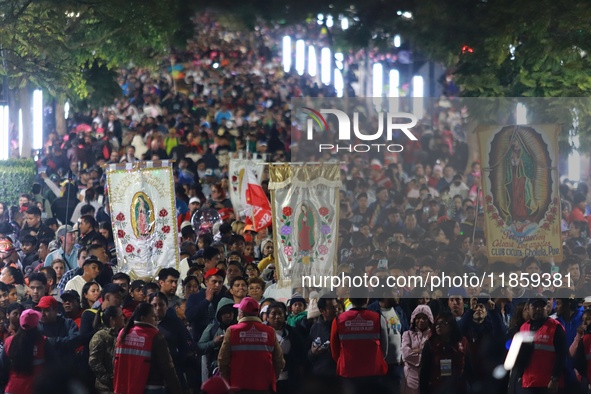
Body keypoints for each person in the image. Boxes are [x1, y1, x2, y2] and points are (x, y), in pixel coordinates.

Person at [218, 297, 285, 393]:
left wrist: (227, 381)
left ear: (241, 313)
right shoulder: (270, 332)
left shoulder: (232, 331)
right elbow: (279, 361)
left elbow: (222, 360)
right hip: (264, 386)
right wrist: (273, 378)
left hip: (238, 386)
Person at [113, 302, 182, 394]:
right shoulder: (154, 336)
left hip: (125, 387)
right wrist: (177, 390)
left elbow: (115, 360)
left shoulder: (123, 333)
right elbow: (167, 367)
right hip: (152, 388)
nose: (157, 319)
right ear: (143, 318)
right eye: (153, 316)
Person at [330, 292, 388, 387]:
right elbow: (384, 350)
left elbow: (334, 350)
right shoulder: (378, 318)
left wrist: (343, 361)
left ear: (350, 299)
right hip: (374, 371)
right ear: (367, 299)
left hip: (347, 371)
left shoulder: (338, 320)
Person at [517, 297, 567, 392]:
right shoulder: (524, 327)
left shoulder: (556, 327)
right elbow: (521, 354)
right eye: (535, 306)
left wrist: (554, 378)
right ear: (528, 308)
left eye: (542, 306)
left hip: (547, 383)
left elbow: (561, 355)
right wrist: (520, 375)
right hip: (528, 382)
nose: (538, 309)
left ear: (547, 308)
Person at [0, 309, 56, 394]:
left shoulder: (9, 342)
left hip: (13, 389)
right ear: (36, 324)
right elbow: (53, 368)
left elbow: (3, 369)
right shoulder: (43, 342)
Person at [419, 311, 469, 394]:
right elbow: (424, 372)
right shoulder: (431, 345)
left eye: (443, 323)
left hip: (459, 387)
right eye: (437, 323)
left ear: (451, 325)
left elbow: (468, 366)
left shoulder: (462, 342)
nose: (438, 326)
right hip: (437, 387)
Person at [266, 301, 308, 394]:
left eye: (280, 313)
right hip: (267, 380)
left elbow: (301, 353)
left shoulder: (293, 333)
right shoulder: (262, 334)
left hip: (289, 379)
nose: (277, 317)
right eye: (273, 314)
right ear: (267, 317)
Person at [198, 297, 237, 380]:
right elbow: (200, 347)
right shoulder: (212, 328)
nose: (228, 316)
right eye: (225, 313)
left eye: (230, 313)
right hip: (215, 371)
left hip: (235, 369)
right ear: (219, 315)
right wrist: (214, 343)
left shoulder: (239, 328)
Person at [88, 305, 125, 393]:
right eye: (121, 315)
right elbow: (94, 361)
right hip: (105, 388)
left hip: (119, 386)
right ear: (112, 320)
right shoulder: (100, 336)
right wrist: (107, 378)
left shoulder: (122, 335)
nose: (124, 318)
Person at [401, 305, 433, 394]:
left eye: (424, 318)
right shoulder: (407, 334)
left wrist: (417, 350)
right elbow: (406, 354)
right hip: (409, 377)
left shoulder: (432, 336)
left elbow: (434, 354)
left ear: (429, 319)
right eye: (418, 318)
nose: (421, 321)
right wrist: (424, 353)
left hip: (428, 375)